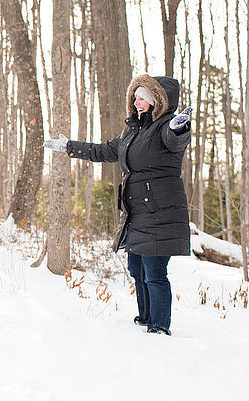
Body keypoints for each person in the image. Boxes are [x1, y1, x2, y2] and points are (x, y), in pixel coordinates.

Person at [44, 74, 192, 336]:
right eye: (135, 97)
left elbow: (175, 138)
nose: (137, 102)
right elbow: (102, 150)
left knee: (154, 272)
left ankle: (159, 327)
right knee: (137, 268)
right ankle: (145, 317)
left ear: (157, 101)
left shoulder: (164, 127)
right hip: (137, 214)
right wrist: (69, 146)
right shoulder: (133, 131)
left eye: (142, 98)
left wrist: (179, 127)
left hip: (160, 213)